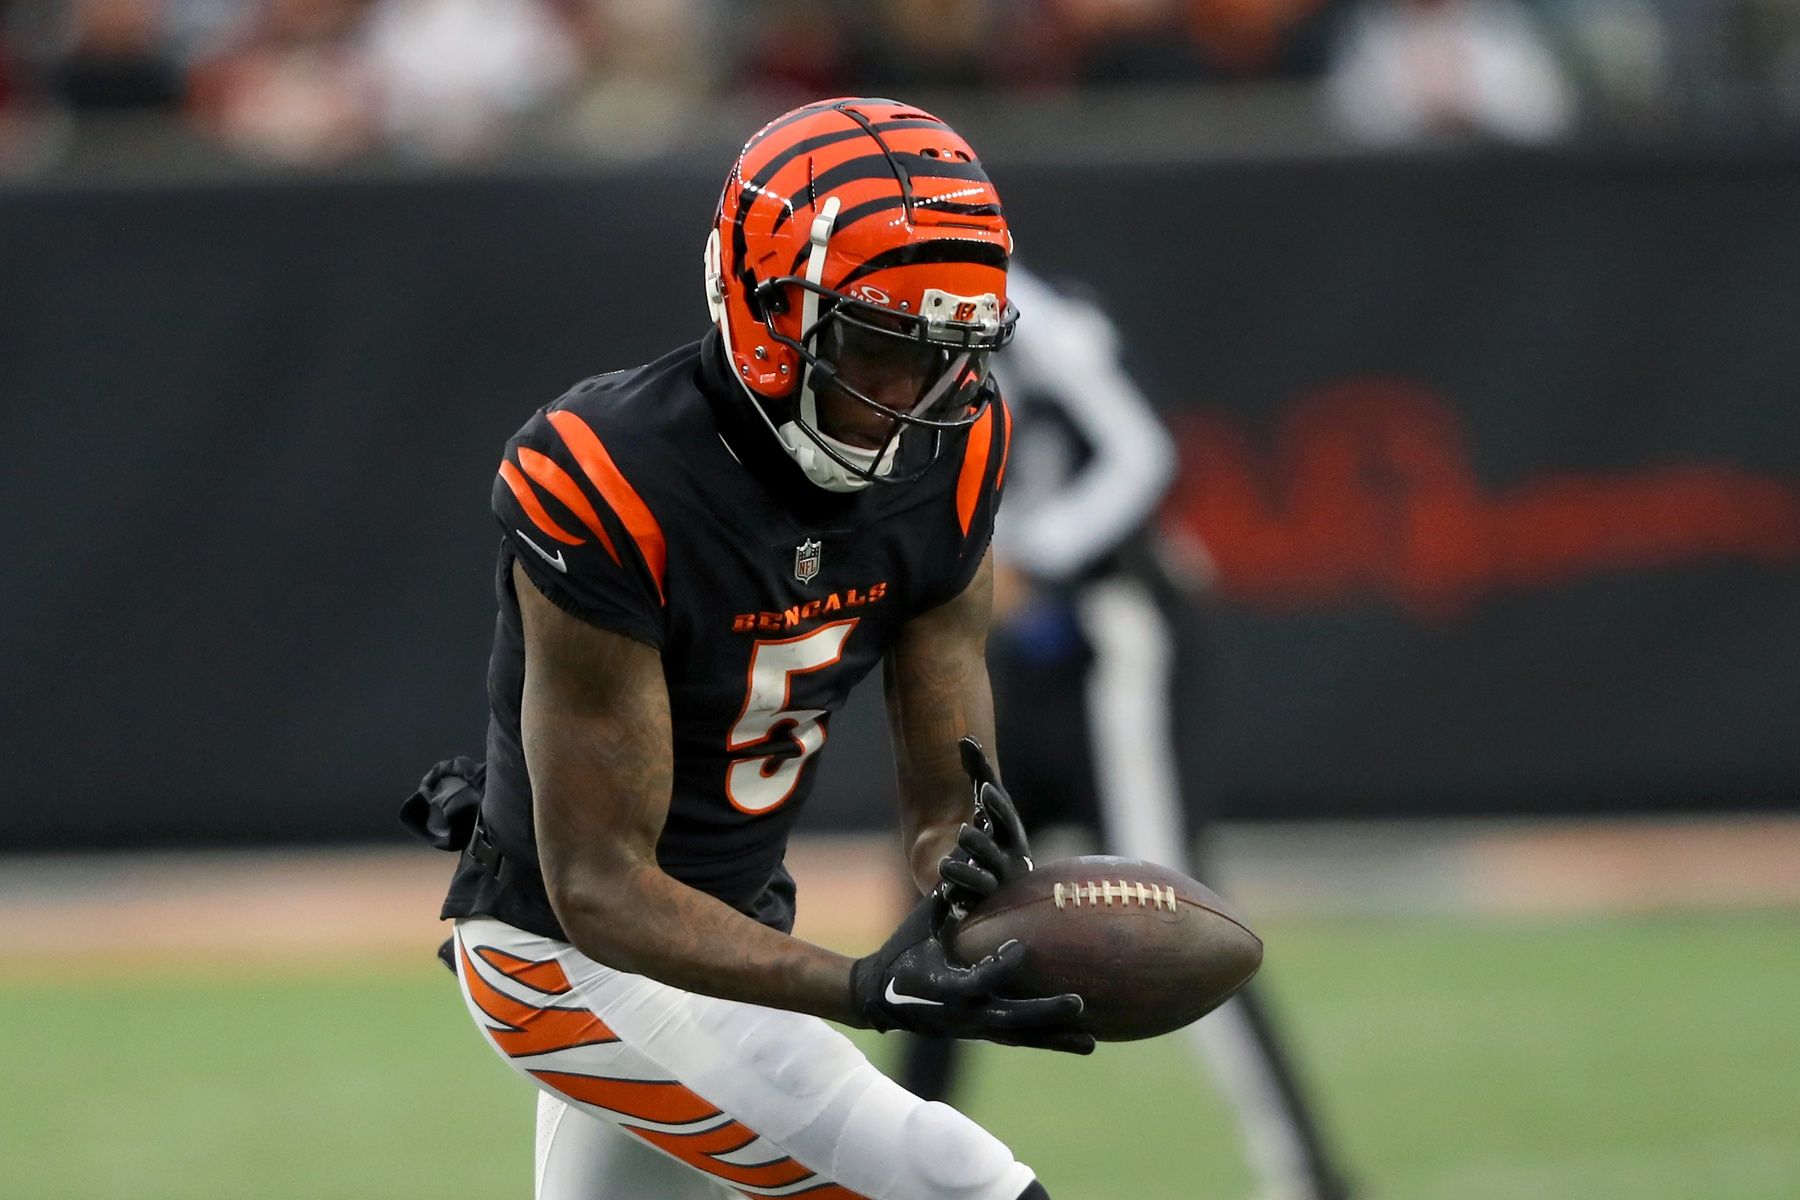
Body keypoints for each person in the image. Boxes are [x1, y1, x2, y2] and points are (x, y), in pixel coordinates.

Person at [401, 97, 1092, 1200]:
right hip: (567, 960)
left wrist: (971, 882)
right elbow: (600, 886)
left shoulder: (957, 449)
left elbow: (944, 805)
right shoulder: (606, 472)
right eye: (879, 348)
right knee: (959, 1180)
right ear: (765, 305)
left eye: (944, 354)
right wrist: (862, 986)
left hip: (729, 940)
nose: (912, 402)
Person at [896, 266, 1357, 1200]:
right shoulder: (888, 338)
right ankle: (889, 1176)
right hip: (1004, 662)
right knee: (947, 915)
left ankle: (1312, 1180)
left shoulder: (1033, 319)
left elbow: (1144, 450)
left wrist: (1036, 553)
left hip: (1111, 641)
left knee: (1179, 909)